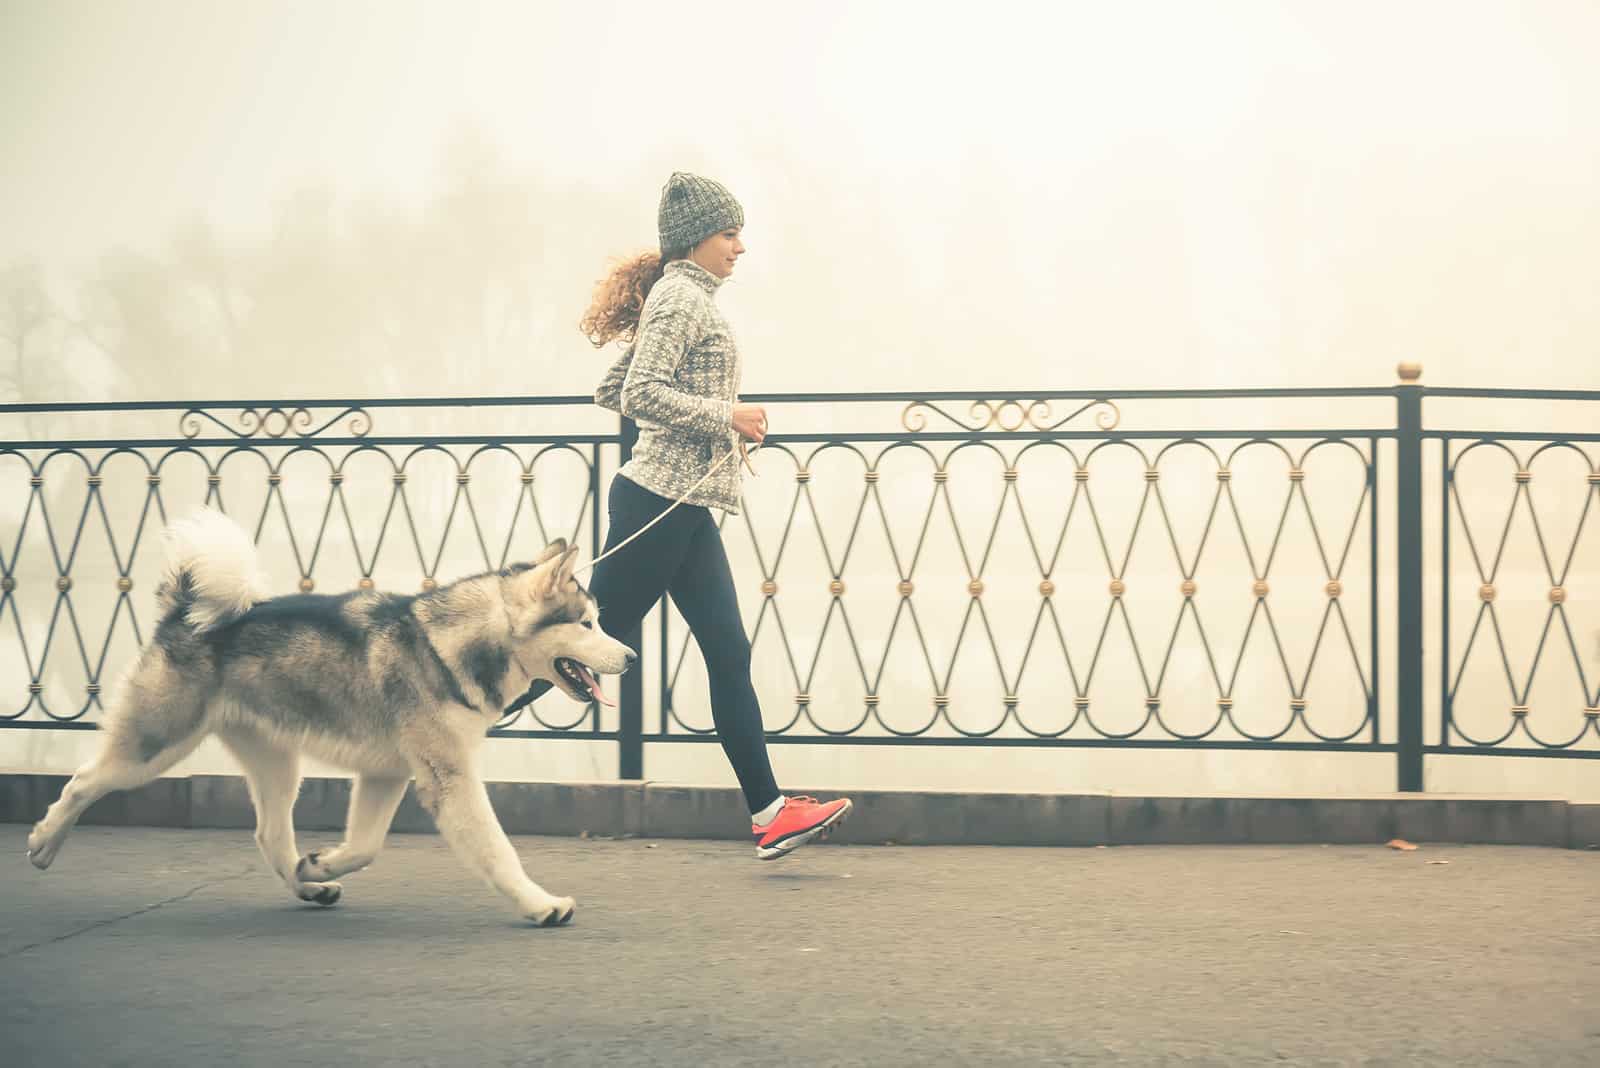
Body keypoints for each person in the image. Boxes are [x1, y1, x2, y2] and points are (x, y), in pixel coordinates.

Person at [508, 172, 852, 859]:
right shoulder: (679, 299)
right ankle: (447, 715)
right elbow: (639, 393)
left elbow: (613, 386)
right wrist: (725, 414)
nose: (741, 246)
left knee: (727, 651)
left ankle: (770, 813)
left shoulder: (683, 298)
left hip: (683, 505)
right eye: (730, 233)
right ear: (696, 239)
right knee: (575, 646)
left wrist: (714, 422)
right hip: (658, 506)